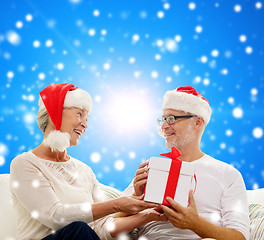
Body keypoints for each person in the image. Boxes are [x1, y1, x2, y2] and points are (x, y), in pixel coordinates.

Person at [10, 83, 167, 240]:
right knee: (78, 228)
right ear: (55, 112)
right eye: (79, 114)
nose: (85, 124)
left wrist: (149, 215)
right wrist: (117, 204)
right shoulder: (24, 163)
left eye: (87, 118)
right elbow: (55, 217)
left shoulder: (85, 170)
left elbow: (101, 228)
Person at [125, 86, 250, 240]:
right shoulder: (151, 168)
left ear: (197, 122)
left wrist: (195, 224)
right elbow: (110, 223)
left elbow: (240, 237)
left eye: (171, 119)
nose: (163, 126)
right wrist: (135, 196)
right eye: (163, 119)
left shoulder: (227, 174)